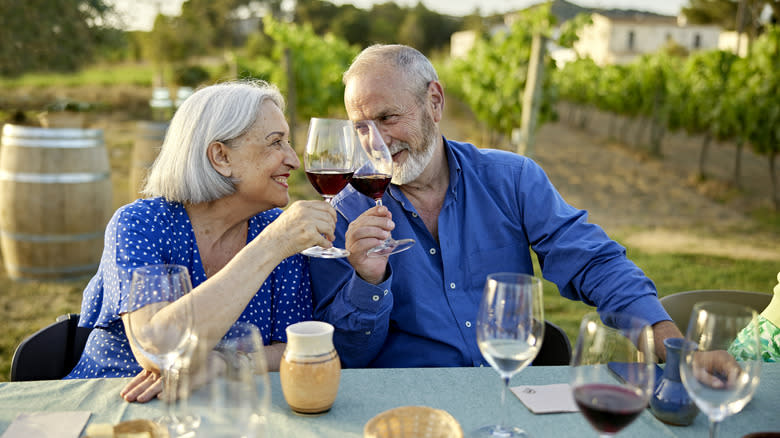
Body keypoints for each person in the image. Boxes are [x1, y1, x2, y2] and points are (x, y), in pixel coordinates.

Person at [309, 44, 683, 368]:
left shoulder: (512, 179)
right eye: (361, 126)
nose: (377, 141)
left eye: (387, 118)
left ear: (434, 102)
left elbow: (590, 260)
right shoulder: (343, 214)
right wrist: (368, 281)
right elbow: (347, 355)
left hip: (513, 385)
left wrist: (661, 333)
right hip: (414, 404)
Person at [65, 80, 338, 402]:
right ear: (221, 156)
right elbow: (158, 348)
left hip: (223, 410)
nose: (293, 160)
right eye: (275, 143)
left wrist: (221, 363)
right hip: (112, 407)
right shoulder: (141, 224)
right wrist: (270, 246)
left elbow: (295, 347)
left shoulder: (279, 230)